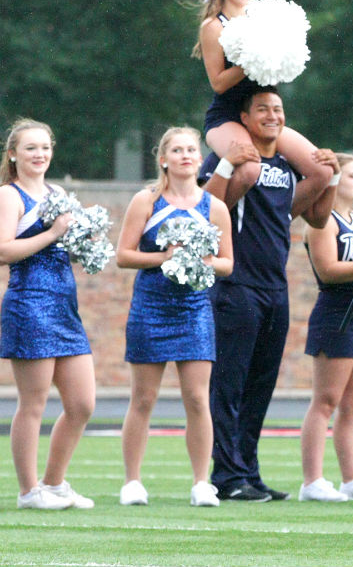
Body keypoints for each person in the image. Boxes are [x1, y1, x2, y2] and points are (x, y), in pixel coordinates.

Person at [200, 86, 339, 502]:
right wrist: (228, 167)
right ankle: (227, 476)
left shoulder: (284, 164)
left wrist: (328, 177)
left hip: (274, 287)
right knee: (229, 384)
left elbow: (314, 217)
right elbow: (205, 211)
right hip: (236, 286)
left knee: (261, 385)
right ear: (243, 119)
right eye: (262, 109)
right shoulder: (231, 160)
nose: (272, 116)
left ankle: (249, 471)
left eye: (278, 109)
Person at [115, 127, 234, 507]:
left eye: (191, 150)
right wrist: (166, 258)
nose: (185, 155)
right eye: (177, 150)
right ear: (163, 158)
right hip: (151, 306)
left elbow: (228, 264)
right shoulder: (146, 200)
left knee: (198, 399)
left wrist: (203, 263)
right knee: (144, 398)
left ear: (200, 159)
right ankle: (132, 482)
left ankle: (202, 482)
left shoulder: (214, 206)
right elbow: (124, 255)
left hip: (194, 308)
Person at [0, 119, 95, 510]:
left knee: (82, 404)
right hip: (29, 303)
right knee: (34, 401)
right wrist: (55, 232)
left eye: (44, 147)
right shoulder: (9, 195)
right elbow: (4, 251)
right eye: (30, 148)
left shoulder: (58, 193)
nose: (39, 154)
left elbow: (65, 247)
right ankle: (28, 492)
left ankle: (55, 484)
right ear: (13, 154)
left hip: (64, 306)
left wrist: (84, 242)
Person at [192, 0, 334, 209]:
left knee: (322, 172)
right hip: (228, 117)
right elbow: (219, 84)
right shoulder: (213, 26)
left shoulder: (264, 19)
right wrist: (254, 59)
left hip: (264, 117)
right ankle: (213, 221)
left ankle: (277, 217)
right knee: (249, 170)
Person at [298, 154, 353, 502]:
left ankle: (352, 478)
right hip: (336, 314)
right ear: (335, 181)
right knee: (326, 401)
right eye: (352, 175)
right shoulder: (321, 221)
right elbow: (329, 270)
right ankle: (312, 481)